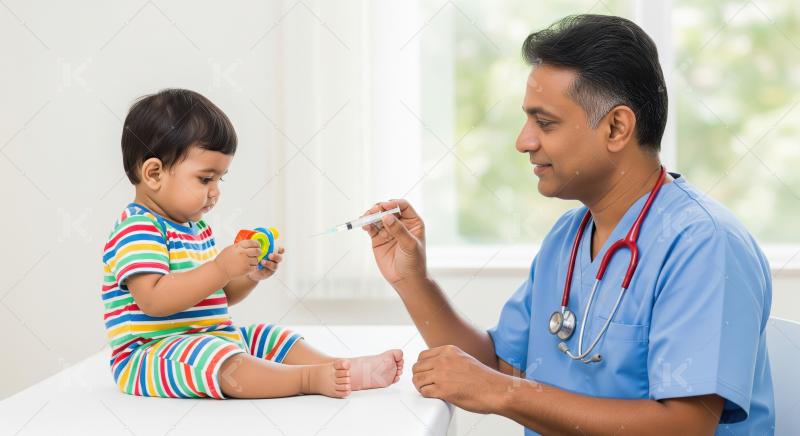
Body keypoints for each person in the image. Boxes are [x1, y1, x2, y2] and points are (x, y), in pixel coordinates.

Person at [363, 15, 773, 435]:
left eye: (545, 123)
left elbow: (685, 427)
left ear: (616, 127)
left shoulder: (704, 243)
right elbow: (495, 368)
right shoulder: (569, 238)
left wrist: (505, 392)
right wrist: (413, 280)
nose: (523, 141)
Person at [101, 89, 403, 400]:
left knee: (264, 336)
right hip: (150, 356)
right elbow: (154, 300)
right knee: (223, 361)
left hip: (208, 340)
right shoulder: (138, 228)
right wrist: (221, 267)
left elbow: (218, 297)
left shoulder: (196, 228)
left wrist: (249, 276)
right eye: (206, 179)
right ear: (153, 173)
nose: (215, 191)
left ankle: (338, 367)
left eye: (221, 179)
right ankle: (308, 378)